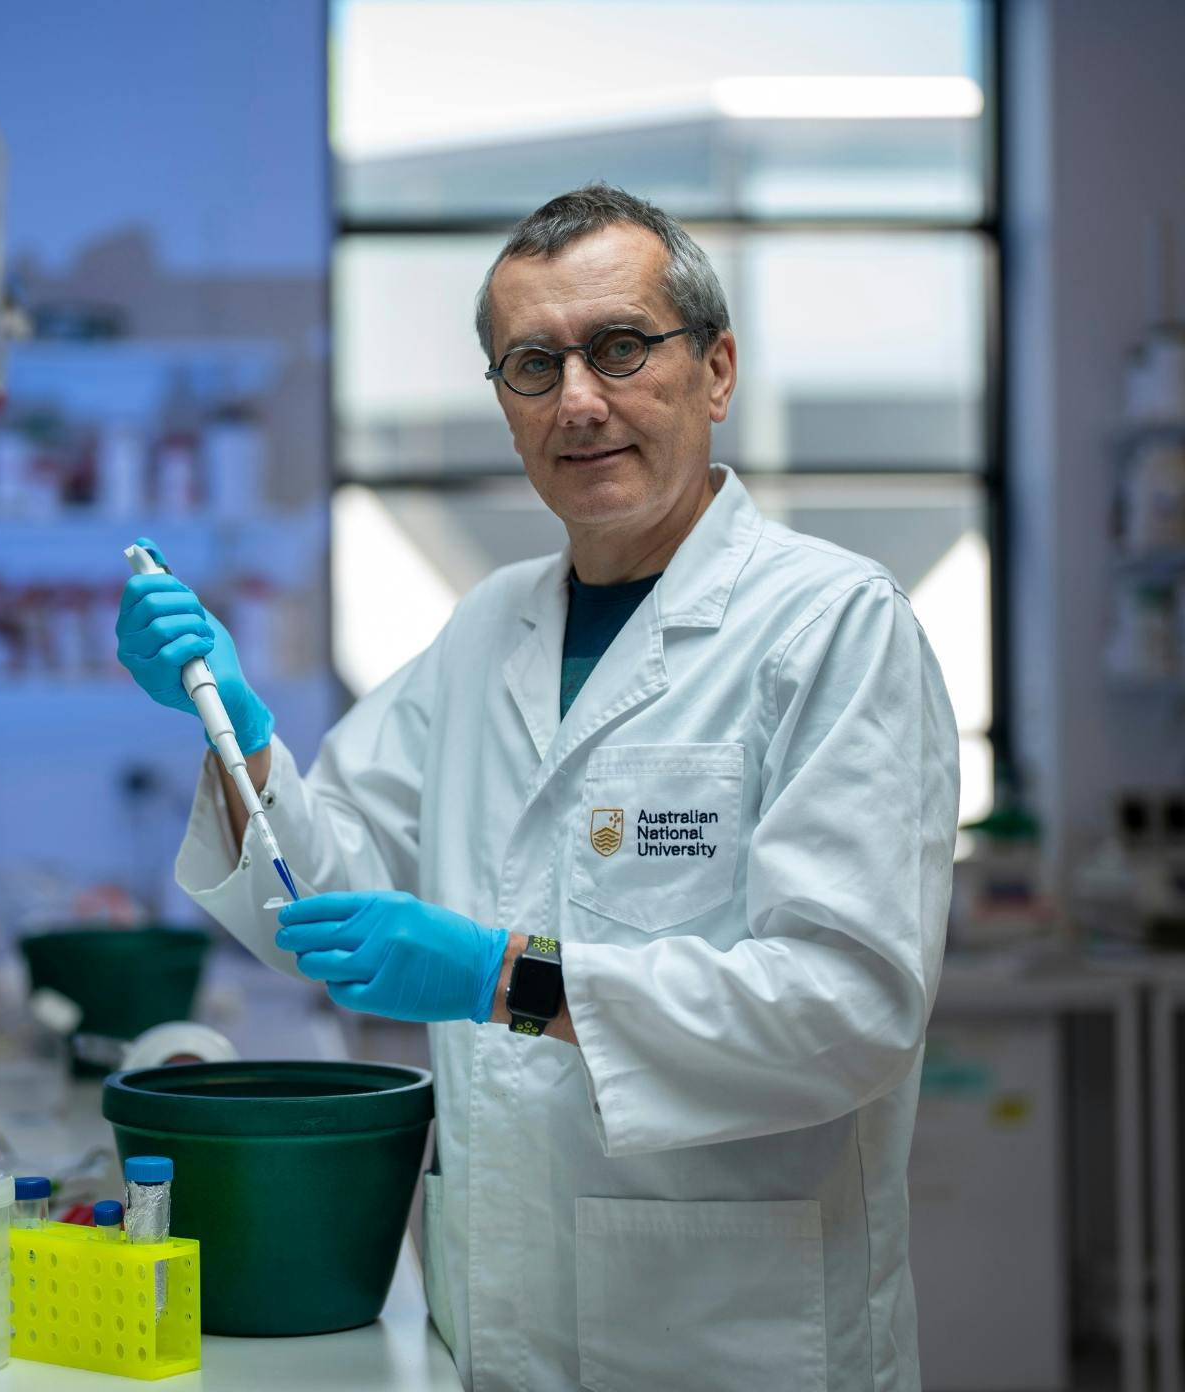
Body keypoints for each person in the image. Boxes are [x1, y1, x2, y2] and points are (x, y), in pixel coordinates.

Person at [117, 182, 958, 1392]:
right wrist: (237, 734)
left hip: (727, 1334)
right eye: (530, 364)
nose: (576, 402)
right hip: (499, 1313)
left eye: (618, 349)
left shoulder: (830, 628)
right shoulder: (484, 630)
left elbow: (846, 1007)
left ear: (714, 372)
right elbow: (322, 909)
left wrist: (498, 977)